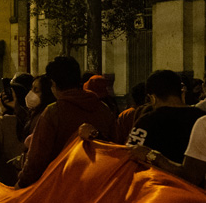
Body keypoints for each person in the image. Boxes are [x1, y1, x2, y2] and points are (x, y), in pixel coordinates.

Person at [17, 56, 116, 188]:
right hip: (98, 186)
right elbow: (115, 144)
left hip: (60, 188)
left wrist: (21, 183)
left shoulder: (54, 112)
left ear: (53, 84)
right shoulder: (103, 109)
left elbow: (37, 159)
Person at [126, 70, 206, 164]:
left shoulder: (146, 121)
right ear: (181, 91)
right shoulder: (201, 118)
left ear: (153, 98)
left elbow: (130, 154)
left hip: (155, 177)